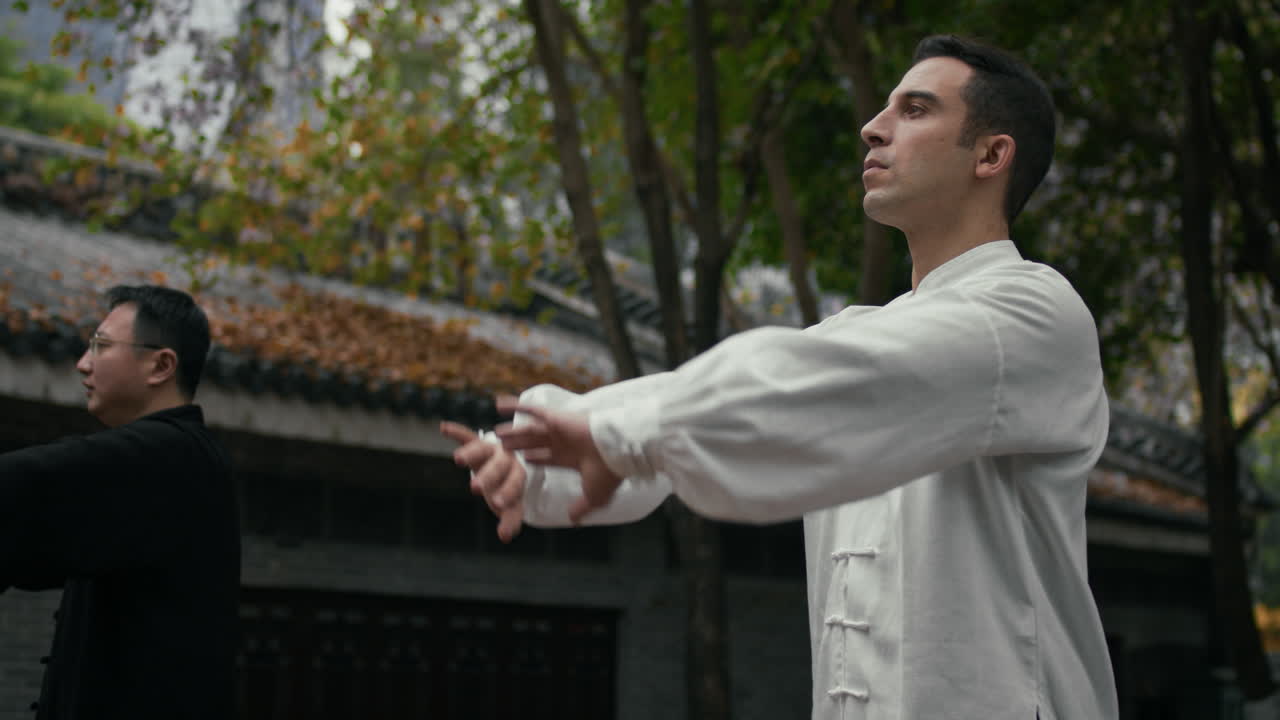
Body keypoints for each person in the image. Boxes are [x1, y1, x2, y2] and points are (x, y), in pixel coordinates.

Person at [443, 34, 1118, 720]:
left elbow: (809, 387)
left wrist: (608, 431)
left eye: (915, 110)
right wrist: (539, 461)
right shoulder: (854, 342)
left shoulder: (1034, 314)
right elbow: (710, 413)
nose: (872, 127)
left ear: (992, 154)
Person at [0, 285, 239, 720]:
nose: (82, 363)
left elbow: (27, 483)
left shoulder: (173, 456)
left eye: (101, 346)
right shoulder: (176, 458)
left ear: (161, 365)